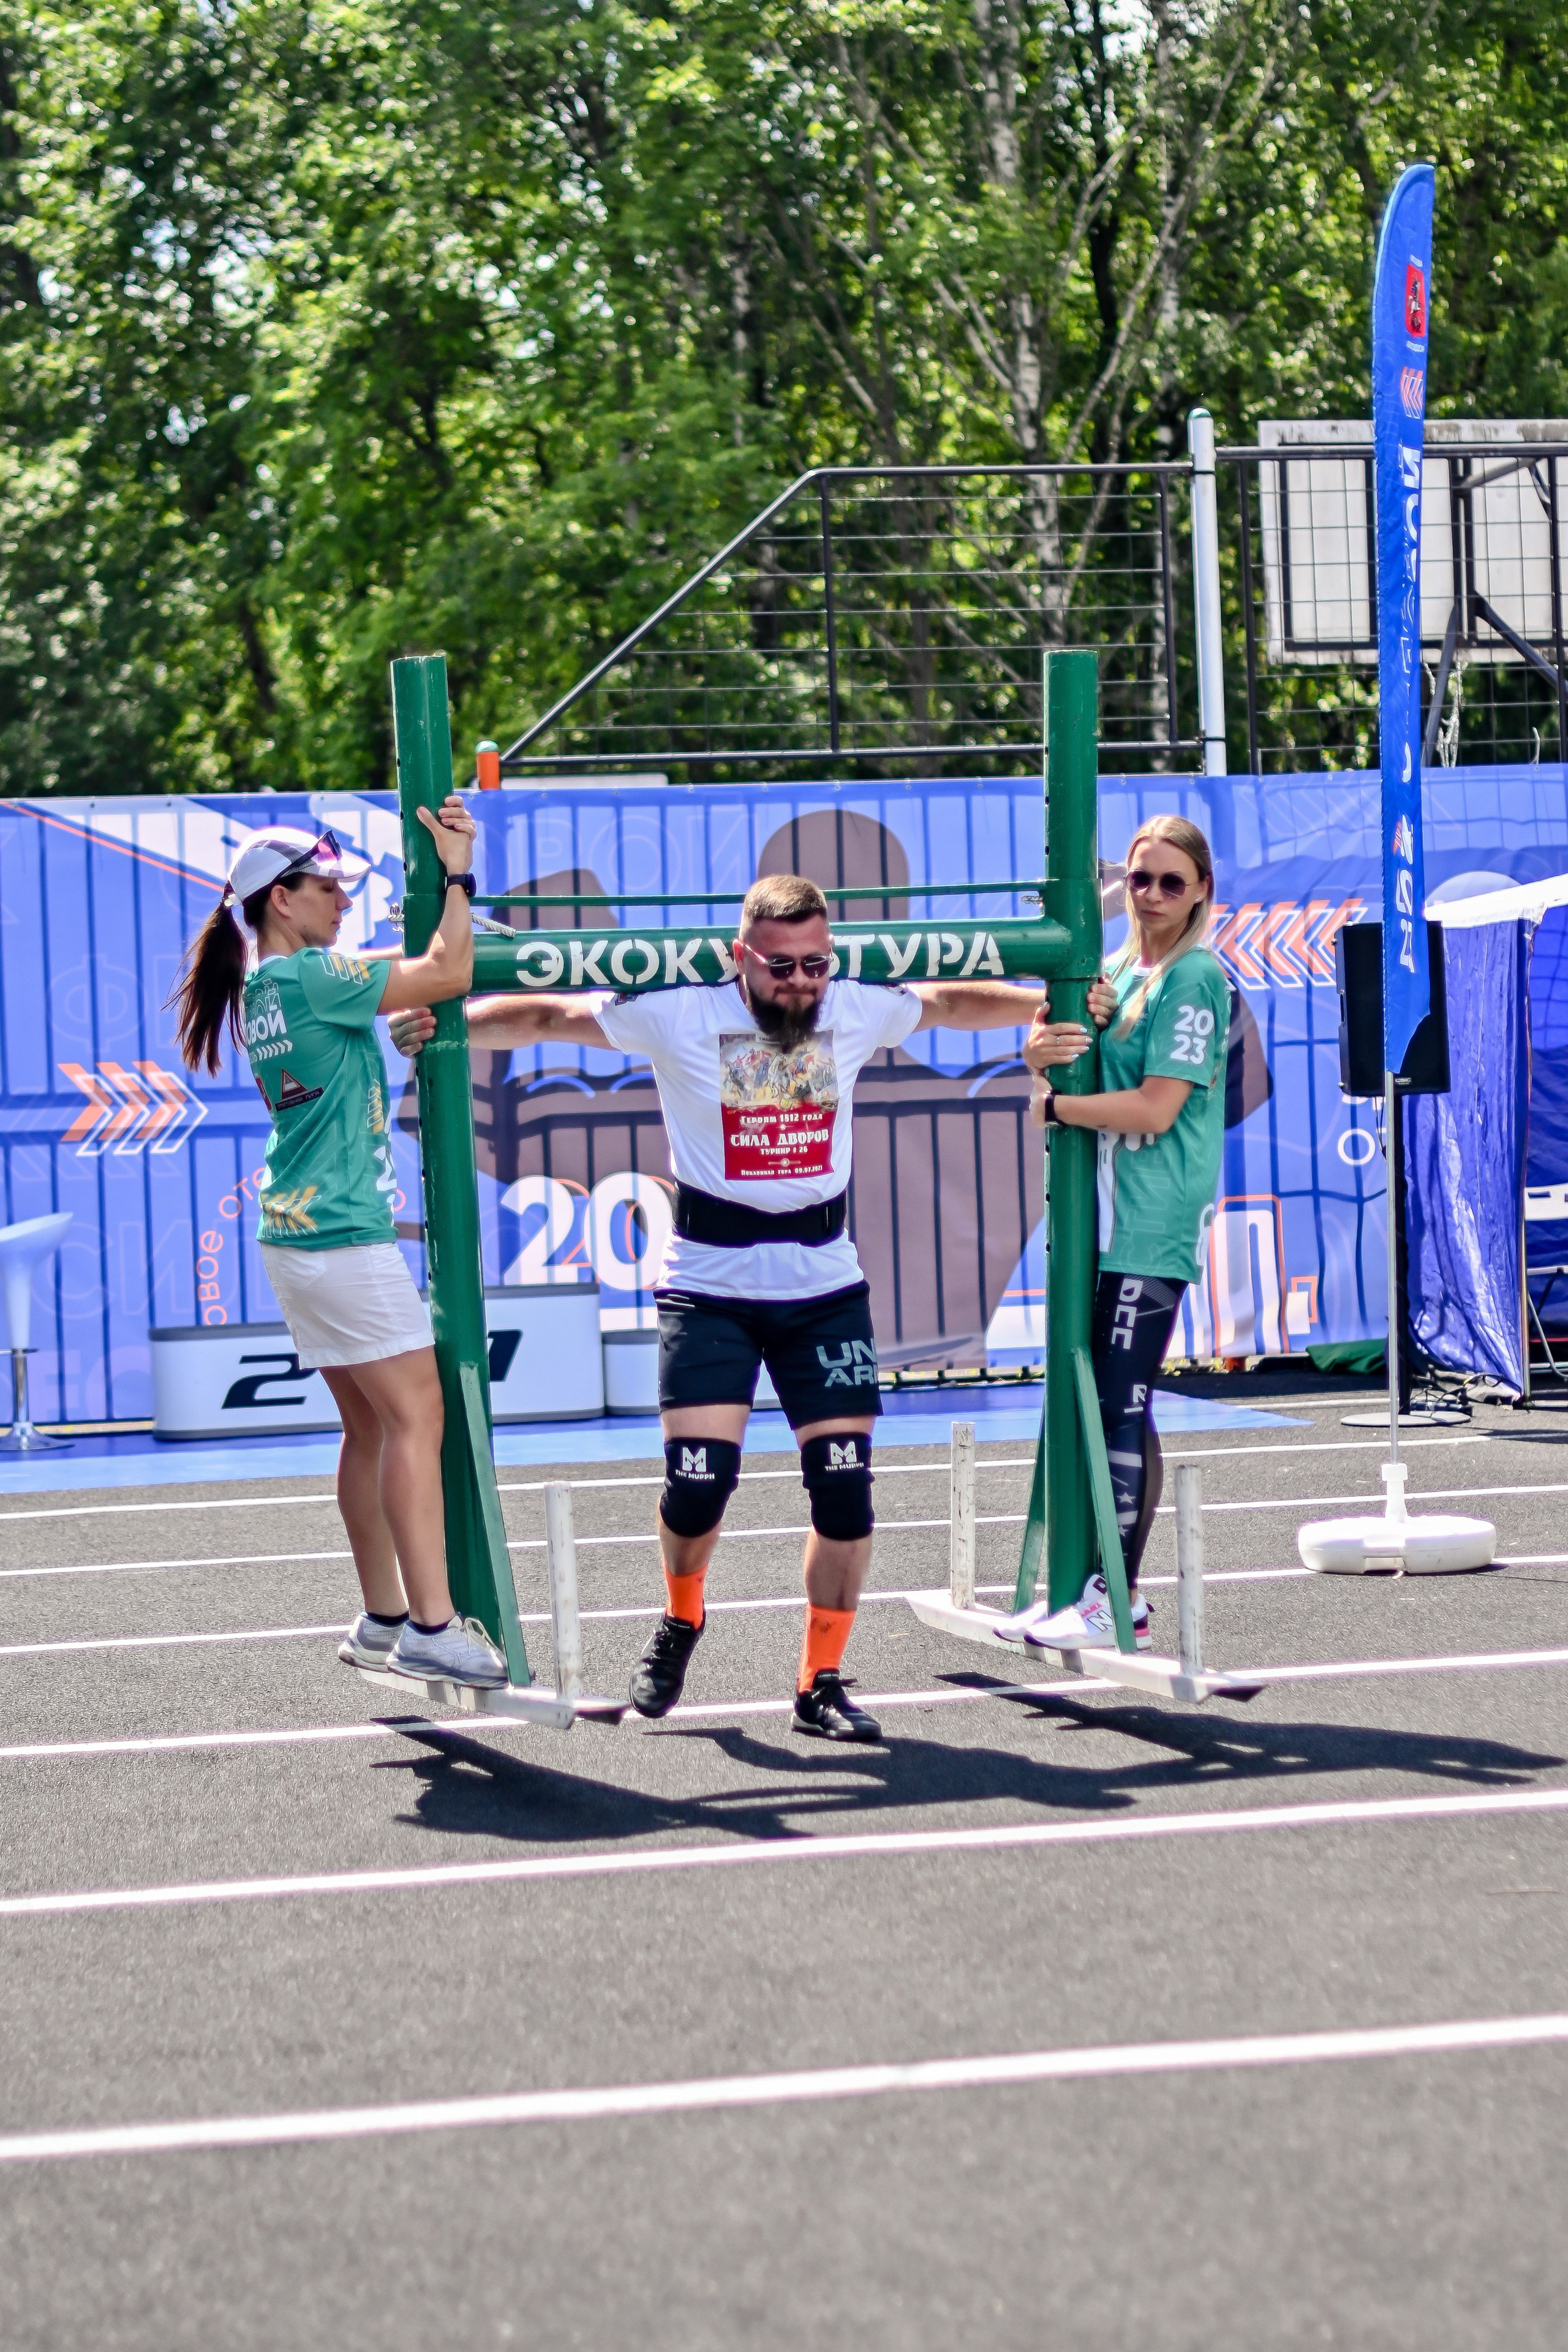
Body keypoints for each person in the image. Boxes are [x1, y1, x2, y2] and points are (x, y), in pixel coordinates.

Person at [391, 873, 1061, 1740]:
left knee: (847, 1493)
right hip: (709, 1283)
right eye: (782, 967)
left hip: (824, 1287)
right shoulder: (682, 1013)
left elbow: (947, 1002)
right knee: (697, 1488)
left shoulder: (854, 1007)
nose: (801, 983)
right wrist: (441, 1025)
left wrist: (1055, 994)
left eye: (816, 964)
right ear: (745, 956)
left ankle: (820, 1680)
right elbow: (551, 1018)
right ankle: (681, 1616)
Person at [172, 801, 511, 1689]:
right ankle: (432, 1628)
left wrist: (392, 1030)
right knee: (415, 1419)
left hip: (295, 1236)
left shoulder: (267, 987)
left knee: (366, 1426)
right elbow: (449, 968)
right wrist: (460, 872)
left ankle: (383, 1617)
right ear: (280, 900)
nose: (343, 902)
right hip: (342, 1236)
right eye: (328, 888)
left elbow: (344, 1055)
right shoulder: (313, 974)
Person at [1002, 812, 1229, 1653]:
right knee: (1109, 1405)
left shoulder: (1195, 976)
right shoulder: (1124, 966)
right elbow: (1054, 1046)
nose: (1155, 894)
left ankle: (1115, 1597)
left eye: (1174, 881)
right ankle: (1087, 1586)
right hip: (1106, 1214)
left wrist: (1053, 1106)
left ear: (1202, 888)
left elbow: (1157, 1107)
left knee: (1117, 1402)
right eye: (1142, 878)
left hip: (1151, 1217)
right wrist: (1047, 1048)